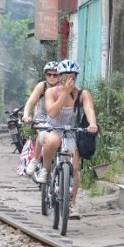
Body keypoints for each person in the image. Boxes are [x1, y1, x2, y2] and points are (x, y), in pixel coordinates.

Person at [38, 59, 98, 218]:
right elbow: (52, 112)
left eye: (72, 76)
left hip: (72, 131)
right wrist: (64, 93)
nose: (69, 80)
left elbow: (89, 110)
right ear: (60, 77)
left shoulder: (82, 94)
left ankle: (71, 203)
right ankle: (45, 169)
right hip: (52, 128)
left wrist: (92, 124)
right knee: (53, 141)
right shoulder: (51, 92)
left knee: (75, 167)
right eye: (65, 76)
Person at [23, 61, 60, 175]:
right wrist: (26, 115)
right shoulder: (42, 86)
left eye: (55, 74)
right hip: (42, 116)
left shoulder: (62, 87)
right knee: (43, 132)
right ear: (45, 75)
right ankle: (35, 159)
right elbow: (31, 102)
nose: (52, 77)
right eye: (49, 74)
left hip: (57, 117)